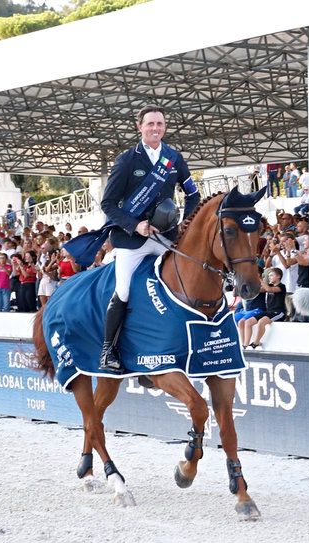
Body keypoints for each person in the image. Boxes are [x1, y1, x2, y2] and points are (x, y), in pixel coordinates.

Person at [97, 105, 201, 372]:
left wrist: (185, 224)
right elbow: (108, 204)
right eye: (151, 124)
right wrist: (135, 225)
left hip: (165, 237)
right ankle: (108, 349)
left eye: (160, 124)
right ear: (139, 127)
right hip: (132, 240)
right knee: (124, 290)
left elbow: (193, 195)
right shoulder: (127, 160)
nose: (156, 128)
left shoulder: (174, 158)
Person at [241, 267, 287, 349]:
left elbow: (269, 289)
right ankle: (245, 345)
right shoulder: (268, 285)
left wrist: (259, 278)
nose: (269, 277)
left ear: (278, 276)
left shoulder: (282, 286)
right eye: (269, 276)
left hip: (278, 312)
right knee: (248, 322)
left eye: (271, 275)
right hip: (268, 311)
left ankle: (256, 343)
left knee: (261, 322)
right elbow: (259, 290)